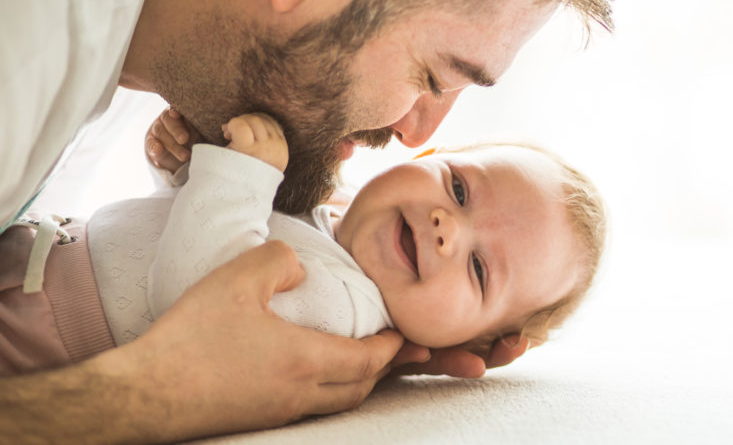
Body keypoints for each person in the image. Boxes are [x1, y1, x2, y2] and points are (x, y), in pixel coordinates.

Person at [0, 0, 623, 439]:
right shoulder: (27, 1)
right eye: (433, 76)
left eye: (479, 268)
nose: (416, 133)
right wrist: (158, 390)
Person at [0, 113, 605, 375]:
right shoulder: (329, 215)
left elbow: (194, 301)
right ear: (425, 156)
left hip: (37, 335)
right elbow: (192, 223)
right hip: (36, 256)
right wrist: (184, 166)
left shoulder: (345, 309)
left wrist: (237, 176)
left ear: (474, 341)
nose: (448, 227)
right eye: (459, 189)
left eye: (478, 268)